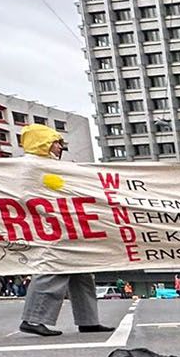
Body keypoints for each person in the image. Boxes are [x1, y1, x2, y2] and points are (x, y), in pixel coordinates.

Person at [15, 125, 111, 338]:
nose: (60, 148)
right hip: (51, 226)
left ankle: (88, 320)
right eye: (56, 143)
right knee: (53, 268)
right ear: (44, 143)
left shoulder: (50, 166)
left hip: (67, 224)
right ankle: (33, 319)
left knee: (82, 272)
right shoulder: (32, 166)